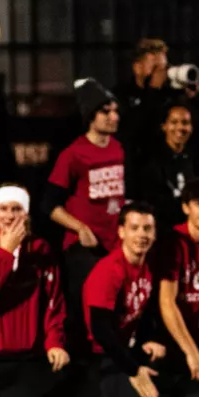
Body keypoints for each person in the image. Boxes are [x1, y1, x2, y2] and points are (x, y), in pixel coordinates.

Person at [43, 79, 125, 335]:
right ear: (91, 115)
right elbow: (48, 205)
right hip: (83, 249)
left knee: (117, 312)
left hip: (115, 244)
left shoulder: (119, 149)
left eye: (115, 111)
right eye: (106, 112)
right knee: (86, 314)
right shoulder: (74, 154)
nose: (114, 117)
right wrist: (80, 229)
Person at [0, 185, 69, 369]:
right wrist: (6, 252)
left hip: (32, 354)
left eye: (16, 209)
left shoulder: (40, 248)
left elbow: (53, 300)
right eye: (3, 209)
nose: (10, 216)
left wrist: (54, 341)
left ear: (26, 213)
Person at [82, 202, 165, 397]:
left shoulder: (149, 267)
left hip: (122, 353)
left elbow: (145, 311)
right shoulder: (110, 270)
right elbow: (100, 329)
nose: (142, 235)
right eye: (134, 228)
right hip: (96, 359)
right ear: (121, 232)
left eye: (147, 229)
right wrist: (133, 370)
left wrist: (150, 339)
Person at [157, 179, 199, 381]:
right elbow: (166, 302)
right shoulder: (173, 242)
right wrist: (192, 353)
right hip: (166, 336)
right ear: (185, 208)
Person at [129, 103, 199, 230]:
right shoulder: (151, 161)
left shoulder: (196, 160)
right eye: (174, 122)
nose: (180, 127)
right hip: (164, 231)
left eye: (185, 122)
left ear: (191, 128)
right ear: (164, 126)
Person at [112, 37, 172, 163]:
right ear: (137, 68)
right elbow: (131, 130)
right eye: (155, 68)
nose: (161, 74)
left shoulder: (170, 95)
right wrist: (153, 91)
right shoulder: (120, 95)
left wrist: (191, 98)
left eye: (164, 68)